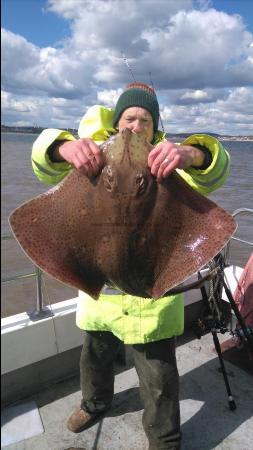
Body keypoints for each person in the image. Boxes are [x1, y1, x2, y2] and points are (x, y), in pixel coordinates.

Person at [32, 82, 230, 450]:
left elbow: (215, 170)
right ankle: (94, 404)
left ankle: (165, 440)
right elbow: (43, 163)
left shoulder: (167, 162)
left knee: (158, 376)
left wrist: (190, 155)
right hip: (99, 293)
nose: (136, 126)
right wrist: (64, 148)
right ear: (116, 120)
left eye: (145, 120)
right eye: (129, 117)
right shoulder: (92, 159)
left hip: (153, 291)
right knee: (94, 358)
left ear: (156, 128)